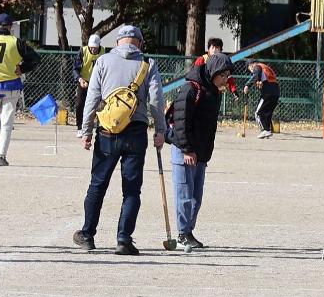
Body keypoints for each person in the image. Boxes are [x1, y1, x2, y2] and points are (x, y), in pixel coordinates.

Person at [75, 23, 164, 255]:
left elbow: (92, 97)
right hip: (136, 131)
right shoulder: (148, 64)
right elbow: (156, 101)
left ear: (117, 43)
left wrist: (86, 131)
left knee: (97, 184)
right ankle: (123, 239)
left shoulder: (103, 61)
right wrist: (160, 130)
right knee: (132, 190)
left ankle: (87, 235)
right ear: (140, 43)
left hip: (107, 130)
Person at [163, 39, 232, 250]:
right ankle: (183, 233)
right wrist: (187, 149)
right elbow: (181, 121)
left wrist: (203, 153)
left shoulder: (214, 92)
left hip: (200, 152)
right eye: (224, 75)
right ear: (214, 72)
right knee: (184, 195)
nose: (226, 79)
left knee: (196, 197)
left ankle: (189, 231)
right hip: (185, 150)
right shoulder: (191, 89)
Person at [0, 13, 40, 167]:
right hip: (11, 85)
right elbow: (35, 58)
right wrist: (22, 68)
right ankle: (1, 156)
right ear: (10, 27)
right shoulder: (16, 41)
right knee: (6, 123)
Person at [251, 61, 281, 136]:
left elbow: (256, 76)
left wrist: (247, 85)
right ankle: (268, 130)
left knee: (258, 113)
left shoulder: (257, 66)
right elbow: (265, 78)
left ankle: (264, 130)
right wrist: (259, 82)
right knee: (267, 112)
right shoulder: (266, 68)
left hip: (268, 92)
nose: (251, 71)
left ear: (251, 65)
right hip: (276, 91)